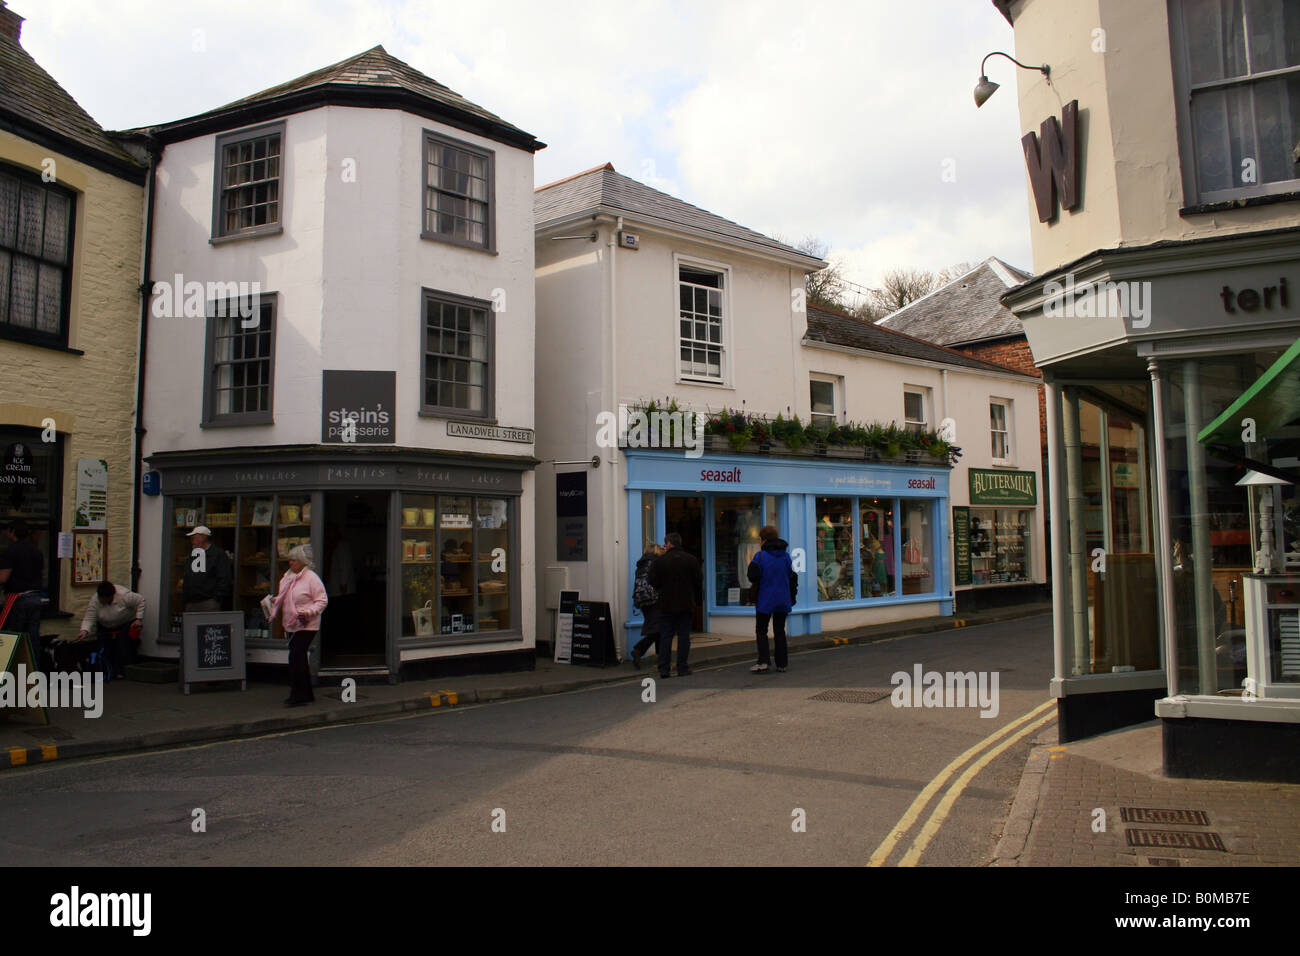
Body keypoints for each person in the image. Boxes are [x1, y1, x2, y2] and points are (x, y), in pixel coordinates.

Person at [268, 544, 328, 707]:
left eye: (294, 560)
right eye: (289, 560)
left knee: (295, 657)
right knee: (299, 658)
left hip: (307, 624)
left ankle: (297, 695)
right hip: (291, 623)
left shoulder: (311, 578)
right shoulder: (286, 577)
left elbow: (322, 600)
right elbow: (284, 596)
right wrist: (274, 601)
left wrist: (308, 612)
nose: (290, 563)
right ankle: (306, 694)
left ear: (302, 562)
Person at [648, 532, 702, 678]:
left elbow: (652, 580)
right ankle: (682, 667)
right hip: (686, 603)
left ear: (670, 544)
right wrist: (697, 601)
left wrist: (662, 588)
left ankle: (664, 669)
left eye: (665, 544)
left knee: (666, 636)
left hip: (666, 603)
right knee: (684, 636)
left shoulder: (659, 561)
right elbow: (698, 582)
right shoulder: (691, 560)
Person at [746, 525, 798, 673]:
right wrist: (792, 596)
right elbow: (793, 577)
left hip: (765, 599)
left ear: (763, 540)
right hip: (783, 599)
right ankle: (782, 664)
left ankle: (763, 661)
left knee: (761, 630)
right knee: (779, 630)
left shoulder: (760, 557)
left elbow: (752, 576)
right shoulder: (786, 556)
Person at [0, 520, 46, 671]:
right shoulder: (36, 551)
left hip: (17, 598)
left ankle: (11, 674)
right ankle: (32, 674)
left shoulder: (10, 552)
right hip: (36, 597)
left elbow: (3, 578)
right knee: (32, 638)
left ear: (12, 532)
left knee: (12, 636)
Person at [77, 580, 145, 679]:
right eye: (100, 598)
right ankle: (108, 670)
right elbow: (90, 616)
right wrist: (84, 630)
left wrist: (139, 619)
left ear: (111, 596)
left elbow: (141, 601)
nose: (102, 601)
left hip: (125, 622)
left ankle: (123, 671)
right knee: (106, 647)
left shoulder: (124, 596)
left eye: (104, 599)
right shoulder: (95, 600)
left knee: (123, 646)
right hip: (105, 624)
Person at [181, 525, 233, 612]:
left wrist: (216, 598)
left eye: (194, 538)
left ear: (203, 537)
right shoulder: (193, 555)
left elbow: (225, 577)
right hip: (191, 602)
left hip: (209, 602)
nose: (192, 541)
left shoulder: (218, 555)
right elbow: (188, 576)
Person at [629, 543, 664, 668]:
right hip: (655, 598)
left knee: (657, 627)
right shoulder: (657, 562)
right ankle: (638, 650)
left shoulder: (641, 564)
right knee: (658, 628)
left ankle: (661, 657)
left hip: (642, 599)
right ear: (656, 551)